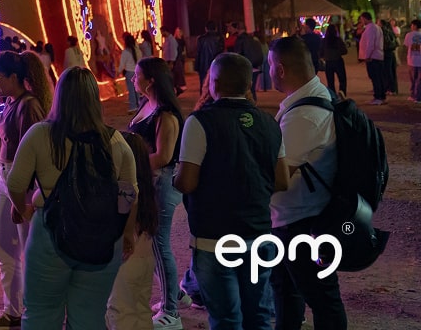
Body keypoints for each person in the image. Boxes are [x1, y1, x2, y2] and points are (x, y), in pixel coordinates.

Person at [7, 67, 137, 330]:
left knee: (41, 314)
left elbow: (15, 183)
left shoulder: (40, 135)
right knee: (89, 317)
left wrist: (24, 208)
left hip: (50, 234)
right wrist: (126, 233)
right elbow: (129, 193)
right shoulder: (116, 142)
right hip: (102, 237)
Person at [175, 53, 289, 330]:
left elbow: (187, 182)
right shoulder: (269, 124)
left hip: (214, 240)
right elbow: (282, 180)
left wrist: (174, 178)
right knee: (259, 317)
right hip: (259, 234)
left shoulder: (200, 122)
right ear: (248, 85)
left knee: (226, 319)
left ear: (213, 83)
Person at [268, 36, 348, 330]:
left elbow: (278, 176)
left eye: (269, 66)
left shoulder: (303, 117)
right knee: (288, 293)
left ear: (280, 69)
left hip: (301, 221)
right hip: (299, 217)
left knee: (321, 298)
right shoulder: (314, 96)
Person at [0, 51, 52, 330]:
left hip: (20, 181)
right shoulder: (14, 102)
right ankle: (14, 310)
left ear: (15, 77)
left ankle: (35, 312)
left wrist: (20, 196)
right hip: (7, 177)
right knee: (5, 248)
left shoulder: (29, 106)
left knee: (28, 248)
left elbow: (32, 153)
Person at [129, 58, 185, 329]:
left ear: (150, 80)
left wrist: (132, 161)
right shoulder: (147, 106)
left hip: (162, 183)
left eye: (137, 75)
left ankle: (171, 311)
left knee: (158, 244)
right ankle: (174, 294)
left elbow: (164, 156)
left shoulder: (165, 114)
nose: (132, 78)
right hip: (149, 183)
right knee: (151, 241)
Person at [106, 133, 158, 330]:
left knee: (121, 313)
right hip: (144, 257)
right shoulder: (147, 194)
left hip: (125, 259)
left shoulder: (125, 193)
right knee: (140, 311)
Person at [357, 11, 387, 104]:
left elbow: (370, 43)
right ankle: (381, 96)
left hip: (373, 57)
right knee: (379, 77)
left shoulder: (371, 28)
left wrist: (367, 56)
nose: (361, 21)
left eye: (362, 19)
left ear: (365, 18)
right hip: (377, 56)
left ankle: (378, 97)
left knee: (375, 77)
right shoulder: (376, 27)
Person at [194, 22, 224, 95]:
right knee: (216, 84)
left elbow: (198, 53)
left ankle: (204, 101)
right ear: (215, 28)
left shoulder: (201, 39)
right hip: (216, 65)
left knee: (204, 84)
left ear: (206, 28)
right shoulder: (219, 38)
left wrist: (197, 66)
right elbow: (221, 52)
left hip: (203, 65)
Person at [322, 24, 348, 94]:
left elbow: (320, 52)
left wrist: (325, 56)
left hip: (328, 62)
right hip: (338, 61)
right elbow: (344, 51)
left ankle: (333, 96)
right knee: (342, 80)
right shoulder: (338, 40)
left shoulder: (324, 41)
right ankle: (342, 94)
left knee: (330, 82)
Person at [119, 34, 140, 113]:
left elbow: (122, 63)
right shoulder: (137, 50)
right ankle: (139, 104)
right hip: (137, 72)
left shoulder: (126, 51)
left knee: (131, 90)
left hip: (129, 72)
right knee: (137, 89)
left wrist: (118, 71)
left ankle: (133, 106)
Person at [380, 19, 399, 96]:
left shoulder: (383, 31)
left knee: (387, 71)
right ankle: (392, 88)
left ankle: (390, 89)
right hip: (391, 52)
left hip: (386, 52)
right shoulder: (390, 31)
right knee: (391, 71)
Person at [406, 19, 421, 102]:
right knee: (419, 80)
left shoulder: (409, 35)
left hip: (412, 60)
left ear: (414, 26)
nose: (411, 27)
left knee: (413, 79)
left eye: (412, 25)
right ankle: (418, 97)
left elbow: (407, 45)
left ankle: (413, 95)